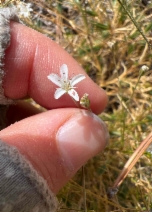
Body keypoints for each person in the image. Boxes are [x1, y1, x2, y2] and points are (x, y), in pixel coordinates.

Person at [0, 22, 109, 211]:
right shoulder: (67, 90)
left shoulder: (72, 90)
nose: (67, 86)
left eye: (68, 85)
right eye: (65, 85)